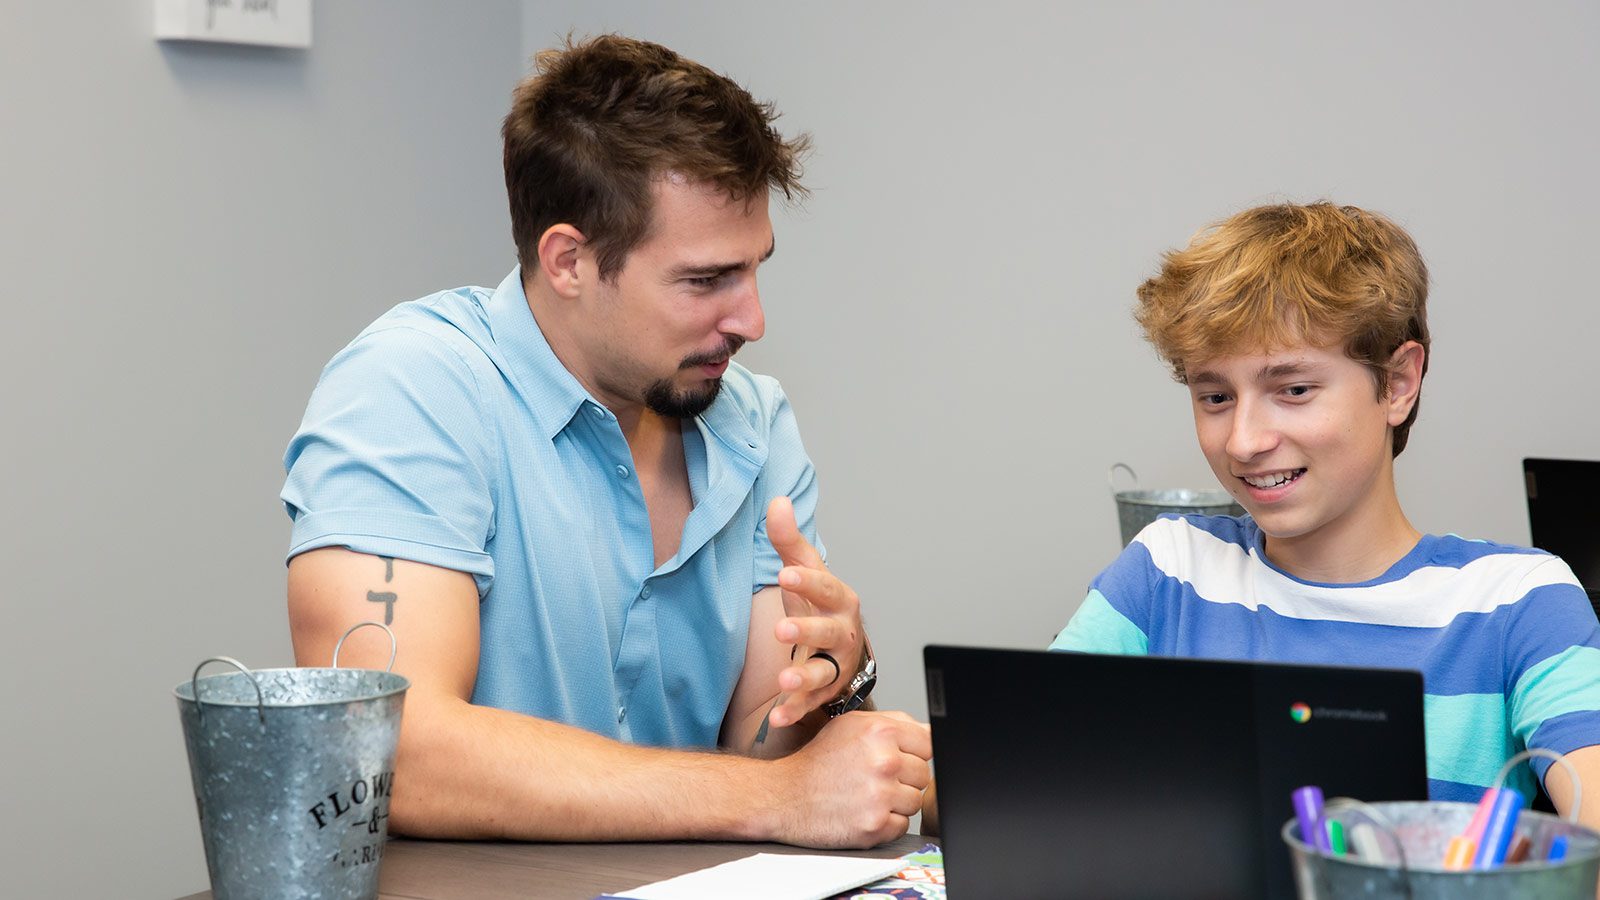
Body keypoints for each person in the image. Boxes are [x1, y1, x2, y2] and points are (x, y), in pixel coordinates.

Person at [281, 34, 931, 848]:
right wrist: (774, 799)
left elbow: (762, 744)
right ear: (568, 262)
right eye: (705, 280)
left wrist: (839, 682)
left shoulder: (752, 422)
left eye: (756, 268)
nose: (753, 322)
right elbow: (384, 752)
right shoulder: (412, 388)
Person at [1051, 201, 1600, 824]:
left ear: (1397, 383)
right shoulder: (1168, 570)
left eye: (1294, 390)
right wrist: (919, 783)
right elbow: (1016, 774)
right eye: (1215, 396)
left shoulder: (1519, 601)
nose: (1243, 441)